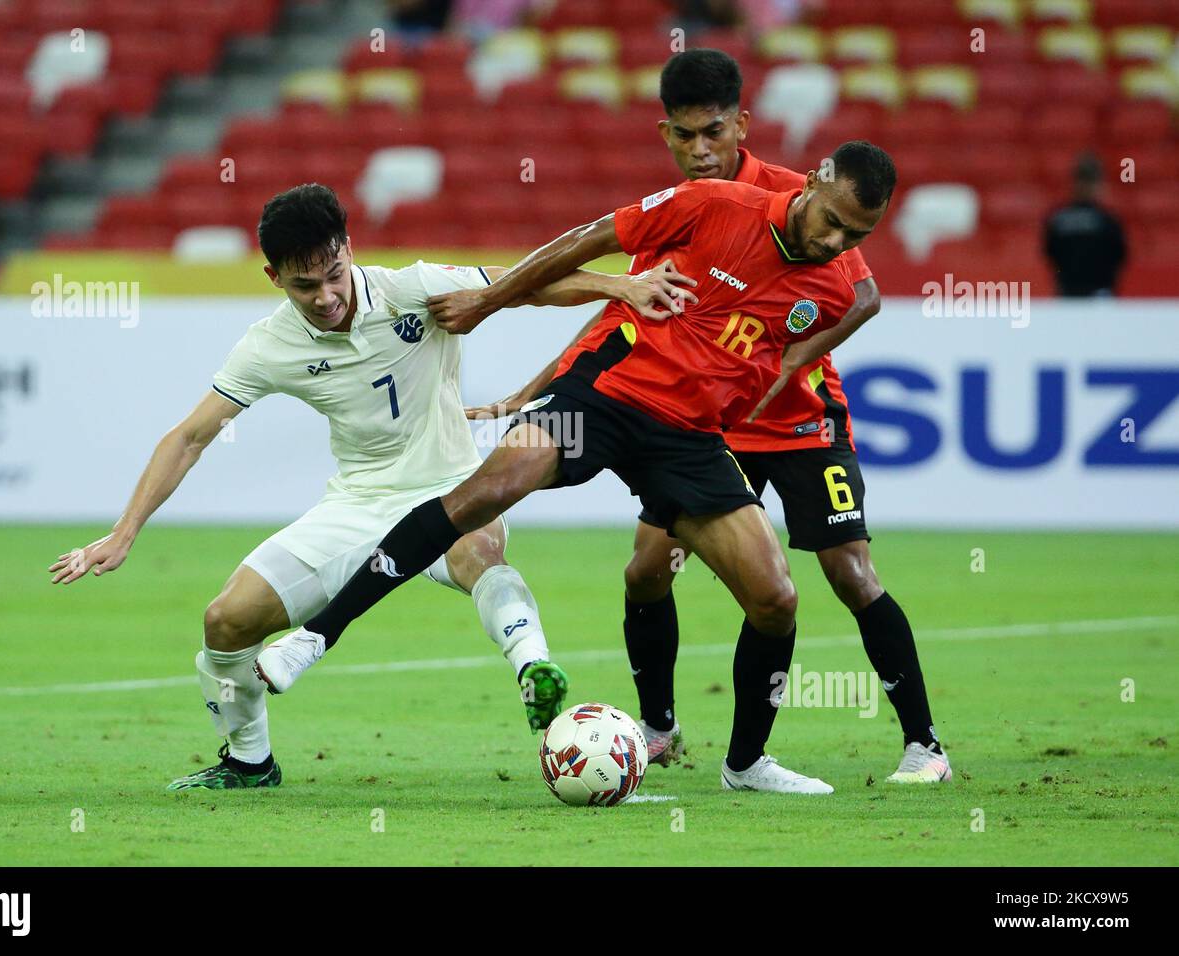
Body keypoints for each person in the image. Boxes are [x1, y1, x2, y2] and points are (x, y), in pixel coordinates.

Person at [272, 141, 898, 795]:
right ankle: (314, 636)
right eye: (832, 220)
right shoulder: (713, 203)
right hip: (604, 392)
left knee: (776, 599)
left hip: (689, 439)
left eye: (856, 234)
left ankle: (744, 765)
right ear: (811, 184)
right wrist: (492, 302)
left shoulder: (831, 287)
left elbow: (858, 301)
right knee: (486, 494)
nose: (836, 241)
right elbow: (584, 241)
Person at [46, 183, 695, 791]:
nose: (326, 295)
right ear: (273, 278)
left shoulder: (412, 288)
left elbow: (526, 285)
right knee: (226, 621)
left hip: (453, 484)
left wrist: (622, 285)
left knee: (478, 550)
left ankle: (534, 668)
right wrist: (125, 531)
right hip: (357, 504)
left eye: (333, 274)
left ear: (348, 250)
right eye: (305, 286)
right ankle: (248, 762)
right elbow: (190, 435)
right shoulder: (268, 346)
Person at [469, 49, 949, 785]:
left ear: (740, 127)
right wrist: (531, 391)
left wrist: (793, 361)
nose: (700, 150)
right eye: (685, 136)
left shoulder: (802, 198)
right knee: (646, 572)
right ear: (666, 133)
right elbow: (621, 312)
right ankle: (658, 728)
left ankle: (923, 745)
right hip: (705, 423)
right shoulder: (686, 207)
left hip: (796, 420)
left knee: (849, 574)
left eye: (713, 134)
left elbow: (863, 297)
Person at [1044, 152, 1128, 298]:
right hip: (1076, 293)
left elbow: (1050, 252)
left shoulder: (1059, 219)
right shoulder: (1106, 219)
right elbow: (1119, 254)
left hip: (1090, 292)